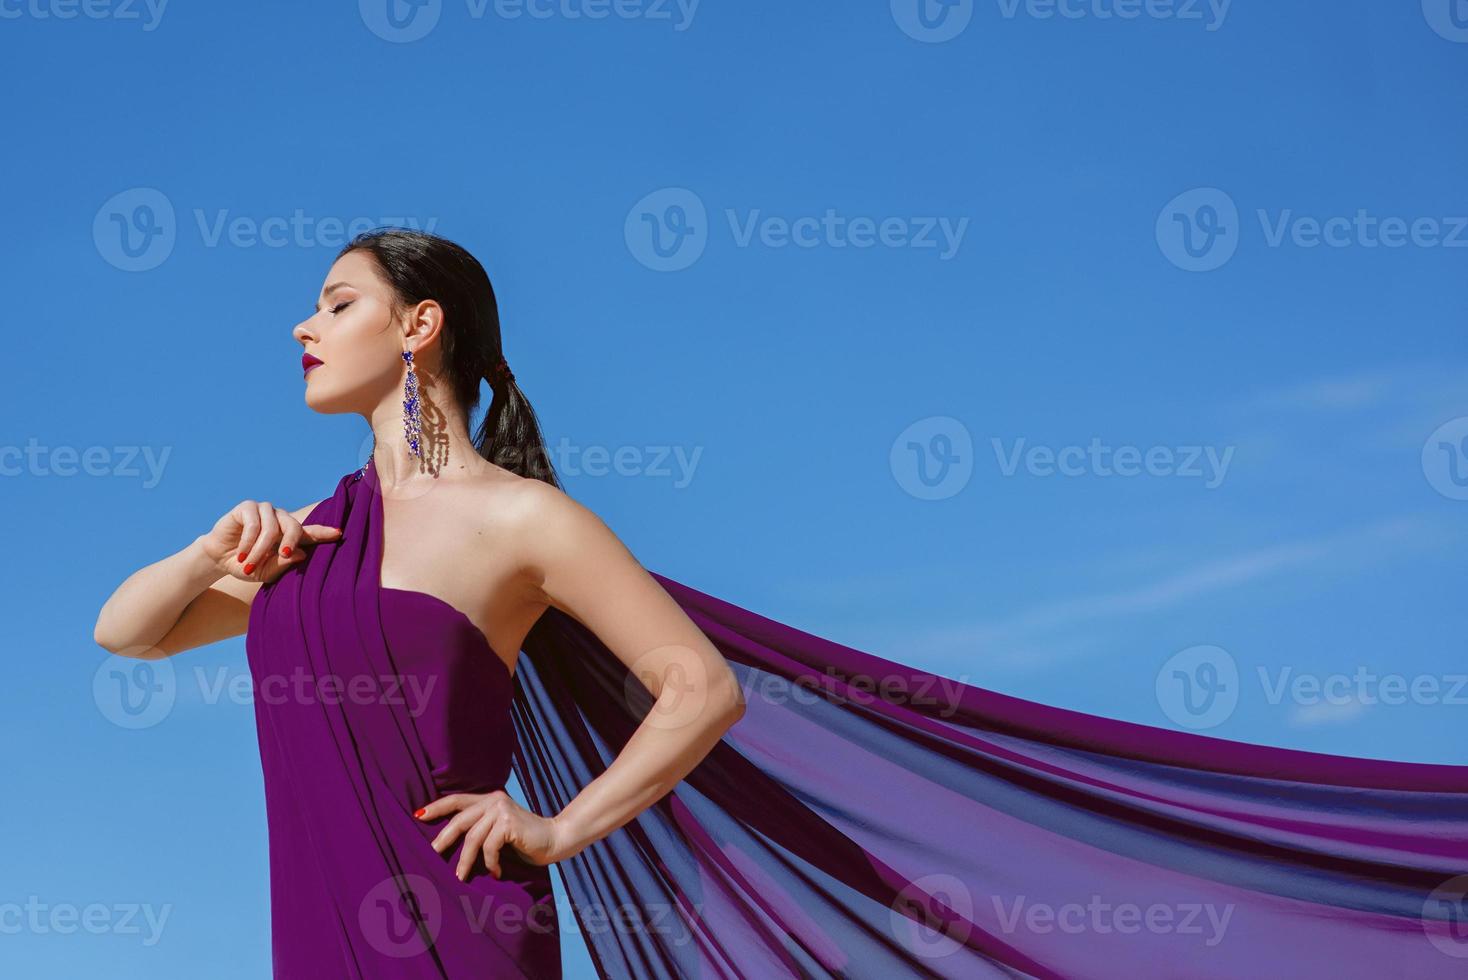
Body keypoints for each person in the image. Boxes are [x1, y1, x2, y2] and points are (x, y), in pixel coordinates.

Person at [96, 229, 1468, 979]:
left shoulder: (525, 522)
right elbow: (127, 631)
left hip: (454, 924)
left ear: (419, 326)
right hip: (311, 939)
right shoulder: (311, 533)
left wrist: (560, 827)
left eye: (332, 301)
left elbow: (701, 688)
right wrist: (208, 547)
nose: (299, 324)